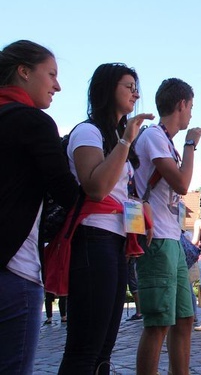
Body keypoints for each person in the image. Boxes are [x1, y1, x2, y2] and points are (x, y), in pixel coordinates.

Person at [59, 63, 153, 374]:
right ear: (107, 89)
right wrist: (126, 141)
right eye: (128, 86)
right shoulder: (88, 131)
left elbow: (120, 195)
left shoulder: (115, 136)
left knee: (104, 347)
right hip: (92, 239)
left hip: (115, 242)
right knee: (85, 347)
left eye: (135, 86)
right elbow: (97, 188)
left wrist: (141, 216)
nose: (135, 93)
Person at [0, 40, 80, 374]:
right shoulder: (33, 121)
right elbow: (67, 194)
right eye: (51, 74)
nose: (57, 85)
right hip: (15, 270)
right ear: (23, 71)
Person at [134, 78, 201, 375]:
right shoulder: (152, 136)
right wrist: (190, 144)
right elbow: (181, 182)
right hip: (157, 240)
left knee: (184, 318)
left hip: (172, 239)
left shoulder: (164, 141)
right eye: (190, 106)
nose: (190, 114)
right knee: (158, 322)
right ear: (181, 105)